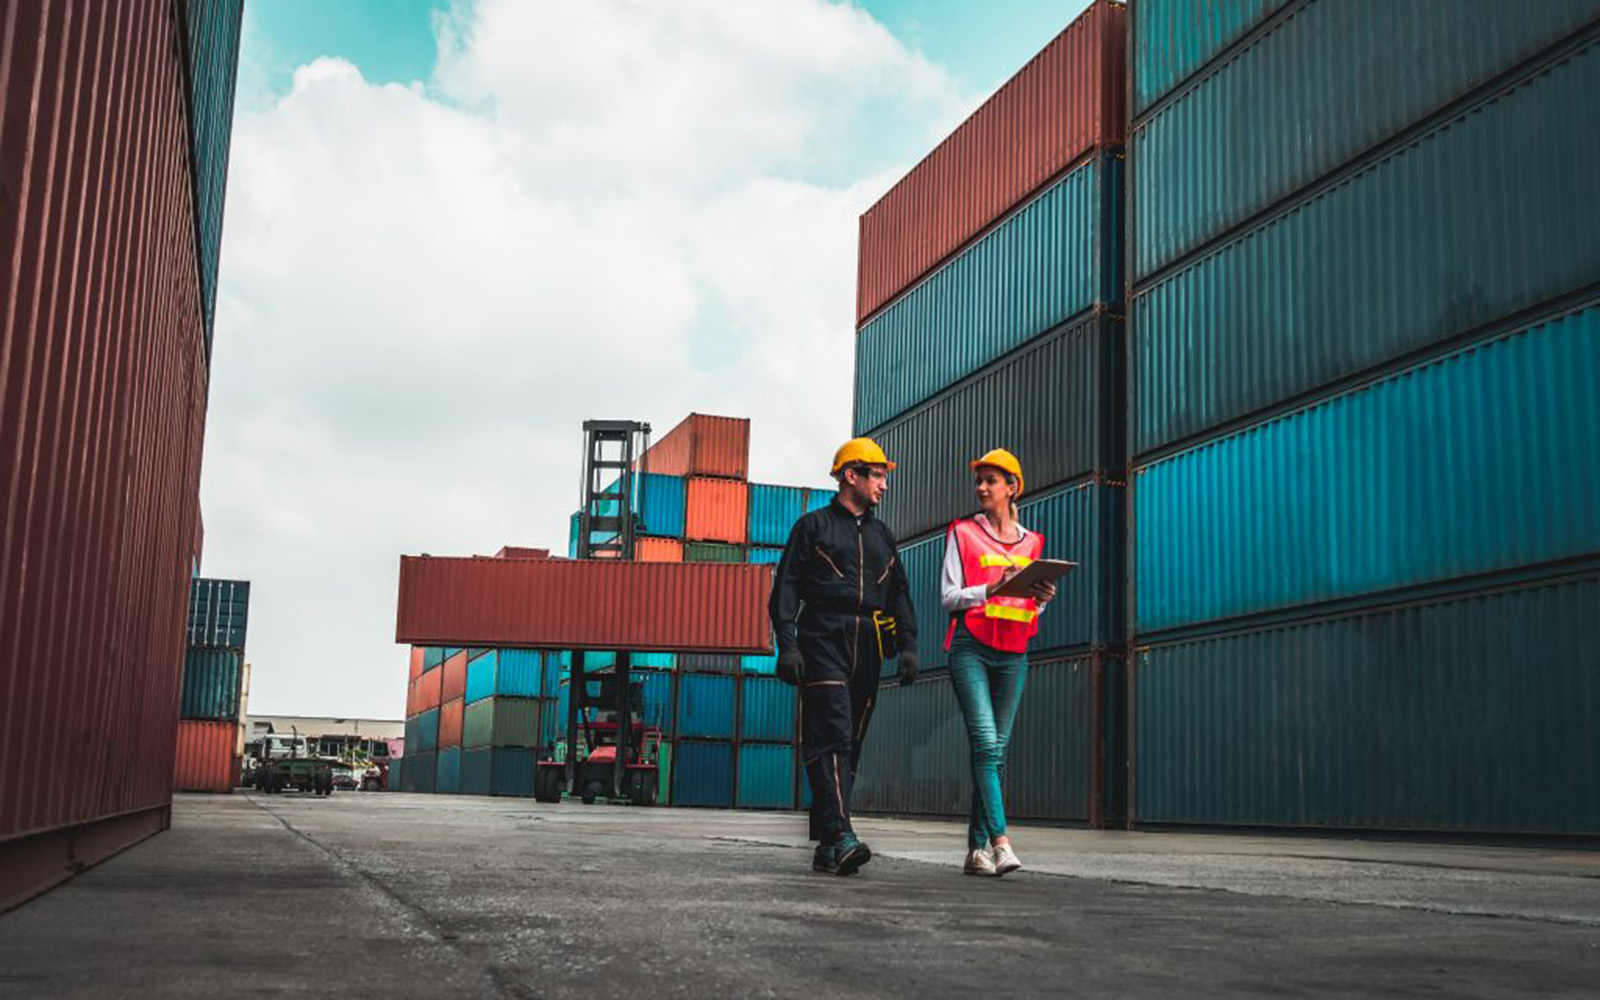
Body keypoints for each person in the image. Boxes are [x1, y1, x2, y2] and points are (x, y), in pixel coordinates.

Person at [770, 437, 919, 876]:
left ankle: (826, 843)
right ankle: (842, 836)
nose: (885, 485)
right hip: (823, 637)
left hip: (868, 644)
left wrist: (907, 645)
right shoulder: (812, 527)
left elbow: (899, 594)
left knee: (849, 746)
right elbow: (787, 588)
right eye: (878, 474)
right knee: (830, 736)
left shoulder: (882, 535)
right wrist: (788, 643)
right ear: (850, 475)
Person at [941, 449, 1055, 877]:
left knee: (993, 753)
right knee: (987, 745)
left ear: (1012, 487)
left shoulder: (1034, 543)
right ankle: (1001, 842)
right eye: (980, 480)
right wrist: (988, 589)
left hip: (1014, 652)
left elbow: (1028, 606)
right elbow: (948, 597)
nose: (981, 487)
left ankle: (974, 851)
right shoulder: (962, 533)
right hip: (970, 645)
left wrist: (1042, 601)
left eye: (991, 480)